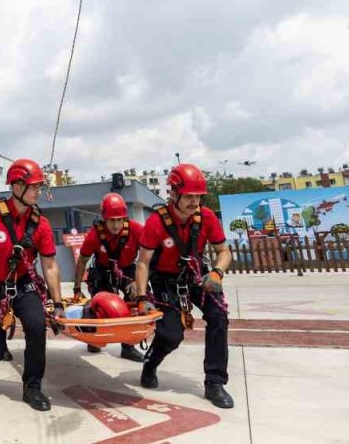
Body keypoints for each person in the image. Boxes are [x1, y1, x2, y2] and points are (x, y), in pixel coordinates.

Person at [130, 163, 236, 409]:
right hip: (164, 281)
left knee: (219, 316)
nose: (194, 202)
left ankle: (215, 382)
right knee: (171, 335)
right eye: (189, 196)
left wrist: (218, 273)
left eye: (198, 196)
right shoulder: (156, 223)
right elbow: (143, 263)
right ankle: (151, 363)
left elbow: (223, 251)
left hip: (196, 276)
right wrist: (142, 297)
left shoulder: (206, 217)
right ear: (174, 194)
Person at [0, 158, 65, 412]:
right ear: (17, 187)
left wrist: (58, 303)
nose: (38, 191)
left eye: (40, 186)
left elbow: (50, 265)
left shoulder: (41, 224)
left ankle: (32, 387)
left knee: (37, 324)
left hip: (23, 286)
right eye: (34, 186)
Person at [71, 192, 144, 361]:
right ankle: (96, 339)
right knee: (100, 306)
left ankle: (128, 346)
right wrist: (76, 288)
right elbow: (82, 261)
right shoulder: (94, 235)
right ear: (104, 218)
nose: (116, 225)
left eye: (120, 220)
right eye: (112, 220)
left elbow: (149, 256)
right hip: (102, 272)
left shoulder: (136, 230)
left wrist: (138, 283)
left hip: (128, 272)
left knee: (134, 304)